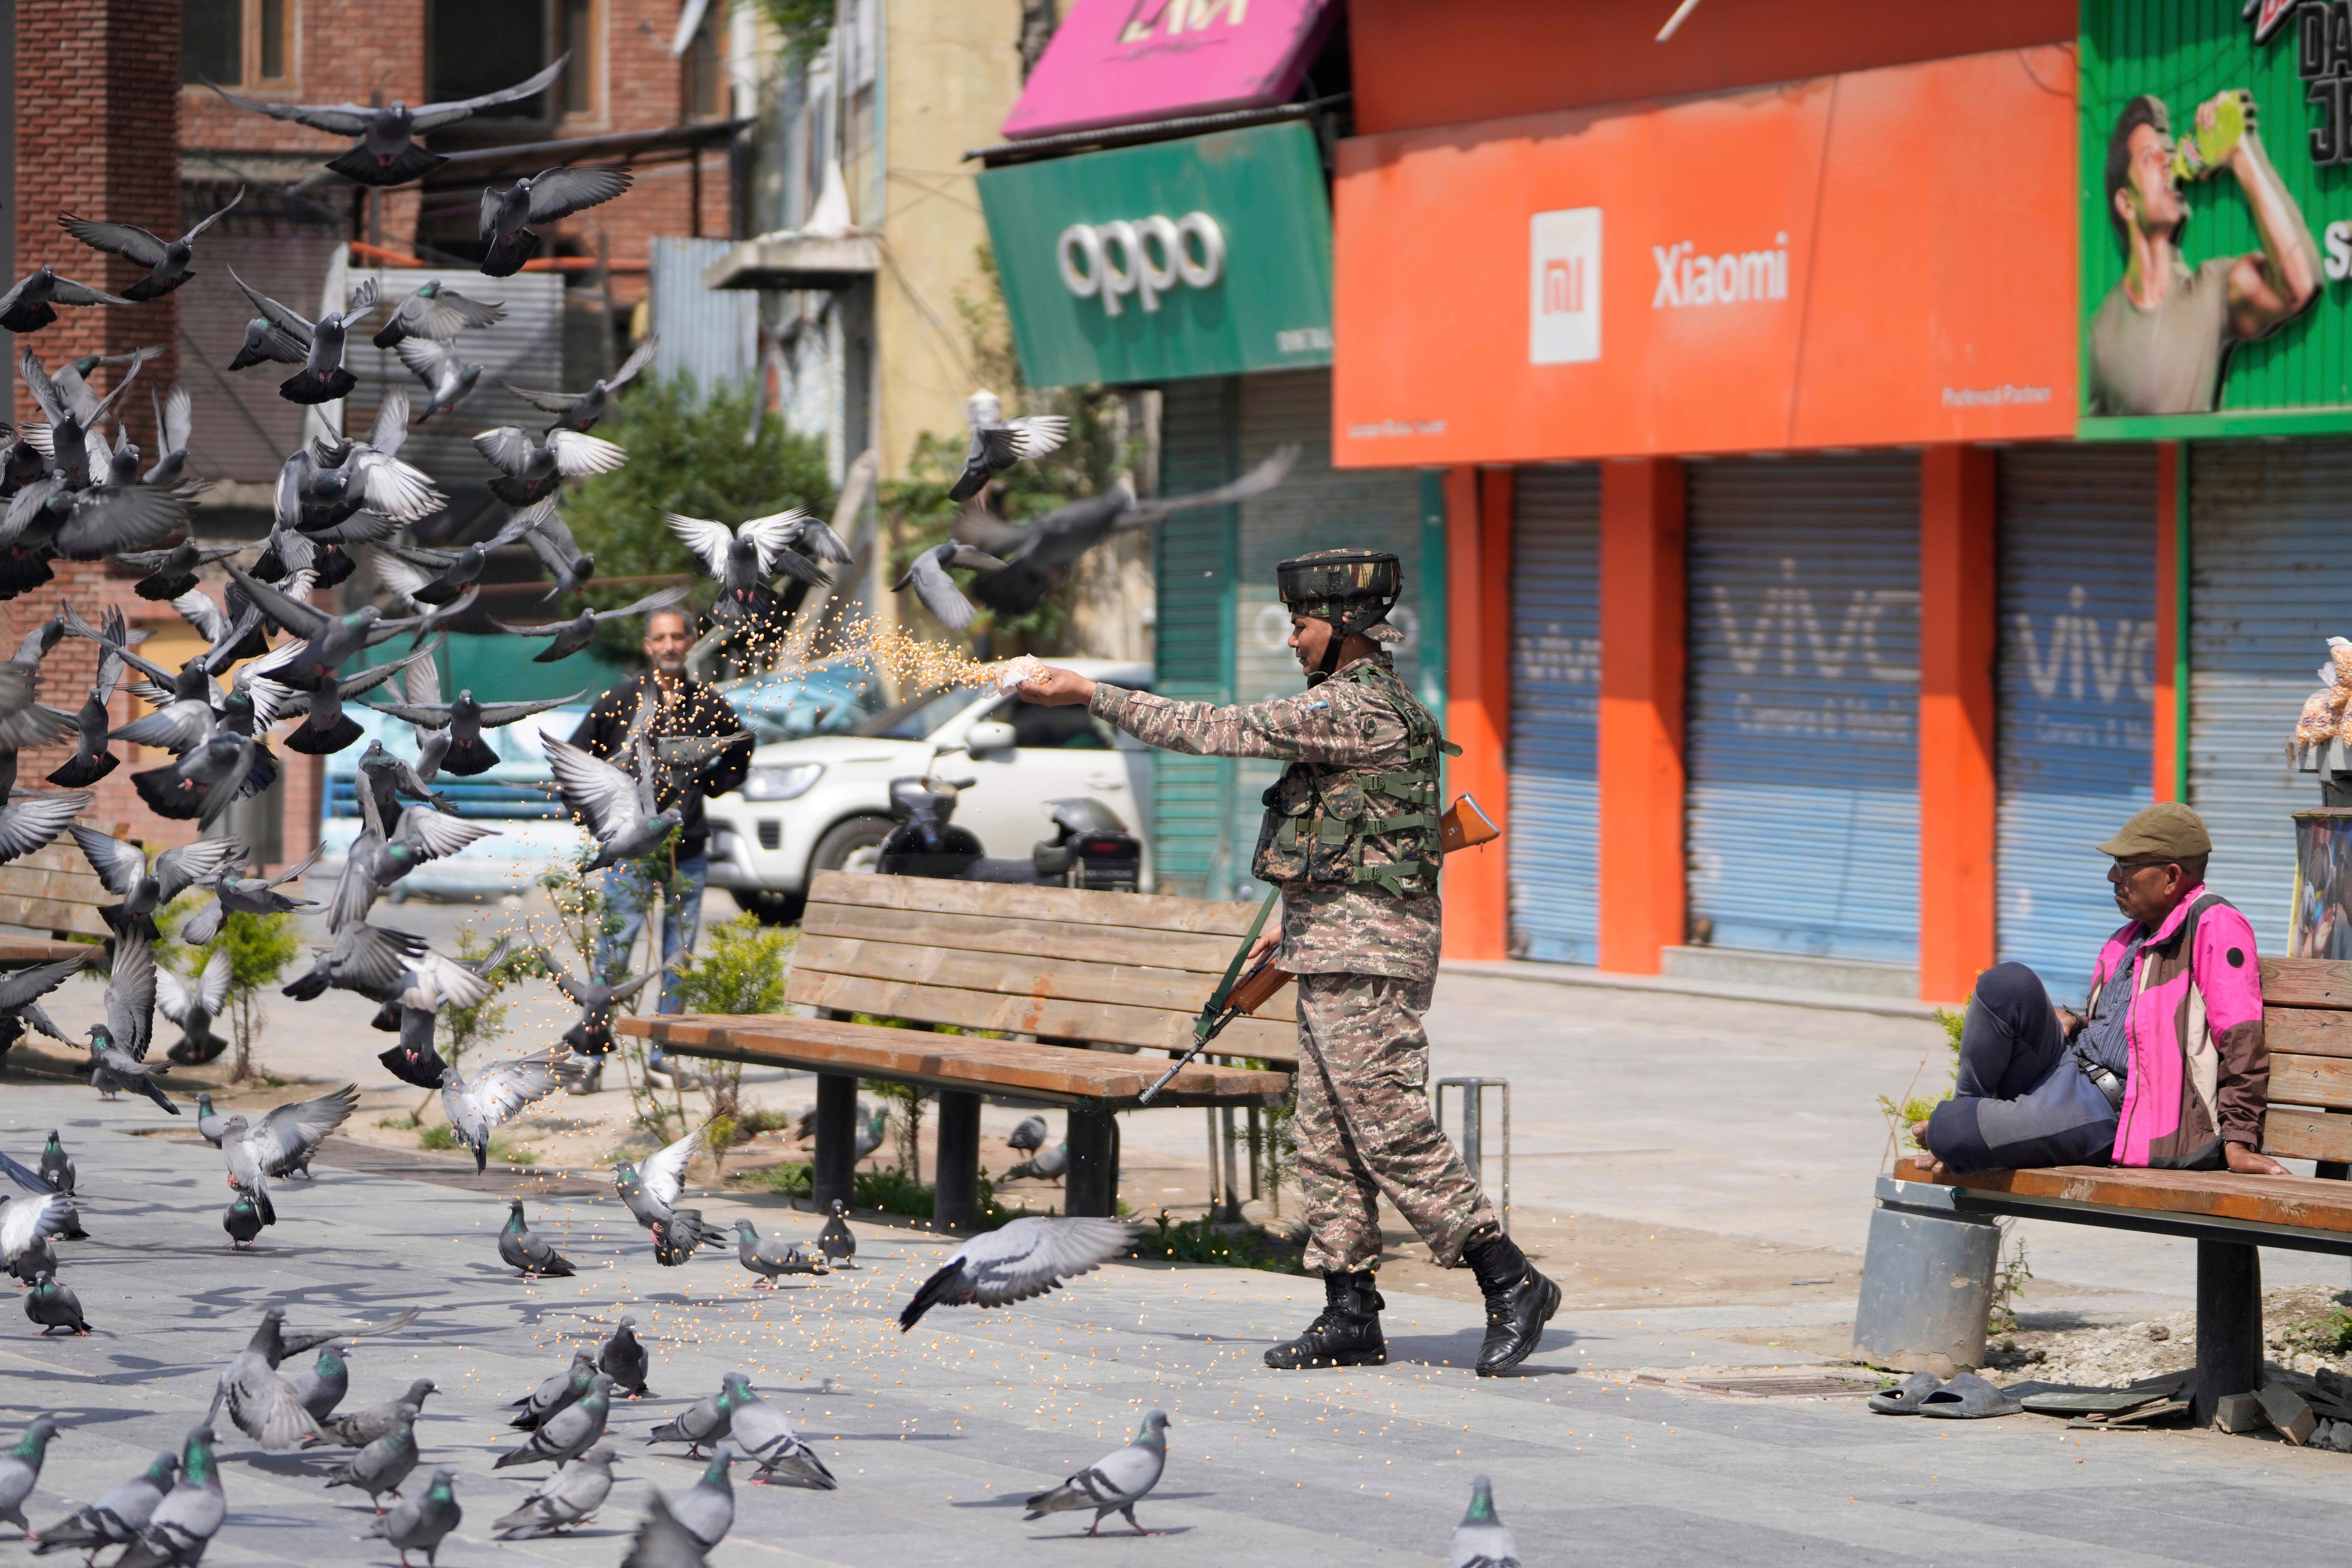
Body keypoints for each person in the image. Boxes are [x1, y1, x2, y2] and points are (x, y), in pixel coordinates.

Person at [1019, 548, 1560, 1376]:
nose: (1292, 641)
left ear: (1343, 630)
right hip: (1333, 939)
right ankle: (1349, 1309)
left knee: (1386, 1125)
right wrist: (1291, 922)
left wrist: (1090, 692)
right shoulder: (1355, 703)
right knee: (1327, 1133)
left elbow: (1212, 729)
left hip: (1372, 952)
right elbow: (1348, 836)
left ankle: (1508, 1277)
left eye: (1301, 626)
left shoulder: (1356, 710)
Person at [1913, 802, 2282, 1178]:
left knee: (1954, 1129)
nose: (2112, 876)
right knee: (2007, 983)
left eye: (2126, 867)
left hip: (2114, 1111)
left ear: (2171, 876)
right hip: (2068, 1070)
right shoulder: (2130, 937)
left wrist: (2239, 1139)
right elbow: (2134, 1027)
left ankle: (1965, 1129)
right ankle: (1972, 1117)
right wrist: (2076, 1020)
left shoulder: (2214, 924)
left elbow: (2242, 1039)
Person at [568, 605, 751, 1088]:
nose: (669, 646)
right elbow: (573, 761)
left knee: (679, 957)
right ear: (648, 647)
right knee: (613, 953)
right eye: (660, 639)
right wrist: (600, 827)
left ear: (690, 642)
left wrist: (708, 785)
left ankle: (662, 1059)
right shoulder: (619, 701)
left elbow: (742, 750)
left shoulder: (708, 704)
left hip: (686, 849)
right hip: (630, 856)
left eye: (677, 637)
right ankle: (593, 1055)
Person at [2087, 90, 2319, 416]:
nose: (2168, 163)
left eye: (2170, 154)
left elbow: (2298, 287)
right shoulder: (2099, 337)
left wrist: (2240, 153)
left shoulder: (2210, 292)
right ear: (2126, 204)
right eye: (2151, 157)